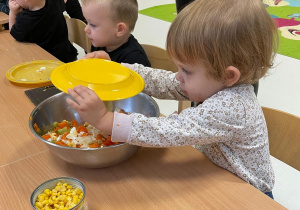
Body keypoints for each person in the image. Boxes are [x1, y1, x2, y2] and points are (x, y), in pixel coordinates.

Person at [66, 0, 278, 198]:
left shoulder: (231, 106)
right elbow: (164, 81)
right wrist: (116, 69)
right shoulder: (214, 82)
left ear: (229, 75)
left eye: (186, 70)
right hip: (214, 174)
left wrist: (104, 119)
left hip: (249, 195)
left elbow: (166, 131)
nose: (178, 76)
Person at [81, 0, 151, 67]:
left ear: (119, 29)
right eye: (86, 21)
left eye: (93, 24)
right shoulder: (99, 42)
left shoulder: (135, 59)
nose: (86, 29)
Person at [8, 0, 82, 63]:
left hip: (45, 64)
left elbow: (14, 33)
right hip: (68, 58)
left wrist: (13, 13)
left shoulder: (26, 20)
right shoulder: (55, 3)